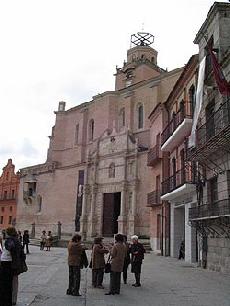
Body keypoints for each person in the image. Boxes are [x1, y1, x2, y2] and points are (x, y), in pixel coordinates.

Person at [0, 227, 27, 306]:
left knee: (6, 284)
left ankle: (6, 301)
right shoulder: (16, 240)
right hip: (13, 265)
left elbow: (10, 247)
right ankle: (12, 300)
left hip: (8, 264)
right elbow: (22, 254)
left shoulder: (11, 240)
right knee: (13, 283)